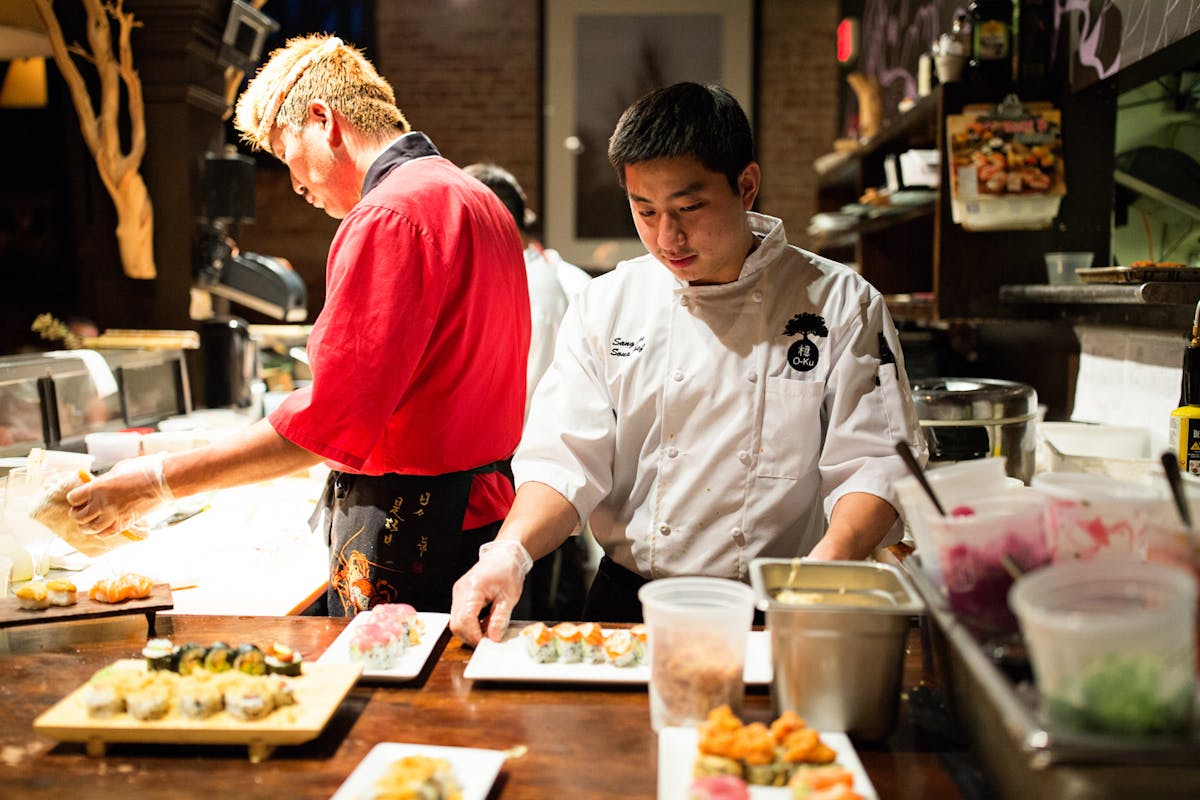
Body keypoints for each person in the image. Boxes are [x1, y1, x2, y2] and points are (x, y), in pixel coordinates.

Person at [66, 34, 531, 616]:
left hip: (413, 527)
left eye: (288, 154)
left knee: (388, 703)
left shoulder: (388, 213)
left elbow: (328, 422)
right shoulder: (477, 199)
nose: (295, 184)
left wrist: (153, 481)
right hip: (485, 514)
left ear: (323, 120)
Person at [450, 82, 925, 646]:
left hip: (780, 606)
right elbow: (563, 460)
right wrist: (510, 550)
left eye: (689, 208)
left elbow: (874, 462)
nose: (667, 237)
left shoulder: (842, 302)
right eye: (644, 210)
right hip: (629, 606)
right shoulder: (608, 304)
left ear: (746, 185)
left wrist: (824, 571)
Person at [462, 162, 596, 619]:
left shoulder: (528, 284)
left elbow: (518, 401)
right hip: (527, 473)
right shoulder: (526, 273)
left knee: (522, 607)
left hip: (525, 476)